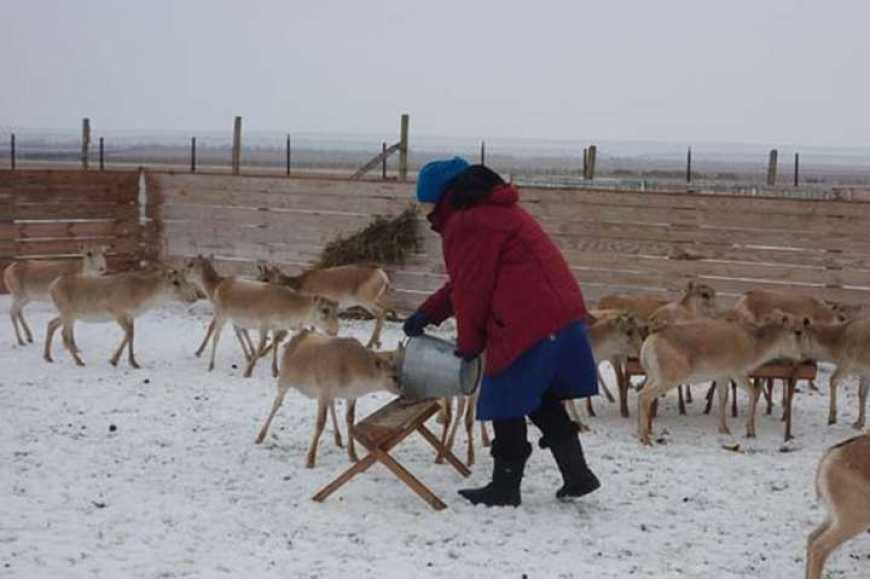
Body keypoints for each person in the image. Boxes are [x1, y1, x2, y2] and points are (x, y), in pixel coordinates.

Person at [403, 157, 601, 507]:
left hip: (528, 319)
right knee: (538, 394)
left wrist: (469, 344)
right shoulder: (495, 212)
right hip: (559, 314)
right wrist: (428, 312)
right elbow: (469, 279)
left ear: (440, 196)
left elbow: (472, 290)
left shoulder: (468, 222)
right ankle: (577, 474)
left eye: (425, 202)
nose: (423, 210)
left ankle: (505, 487)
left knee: (504, 399)